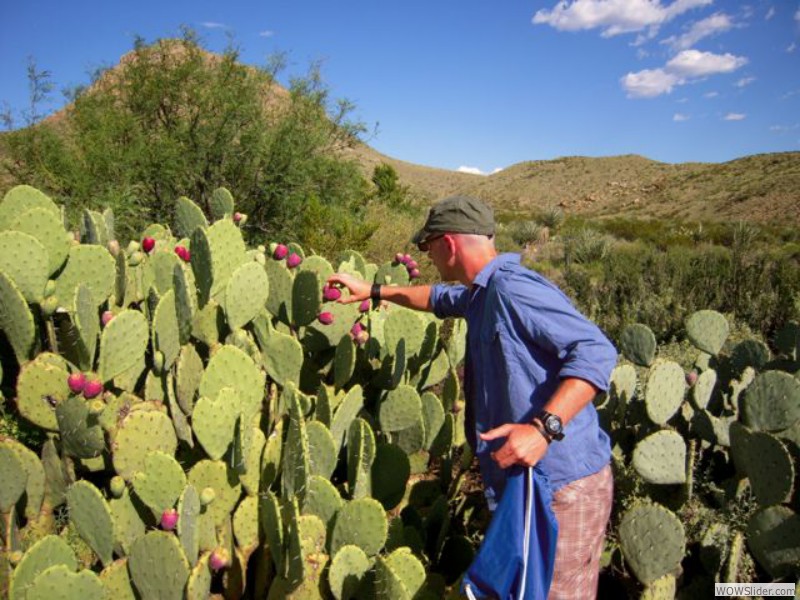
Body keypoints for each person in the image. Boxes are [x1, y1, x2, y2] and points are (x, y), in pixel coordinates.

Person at [328, 195, 617, 599]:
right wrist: (373, 291)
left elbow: (597, 350)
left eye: (428, 247)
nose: (428, 257)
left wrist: (543, 429)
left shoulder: (511, 289)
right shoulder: (481, 294)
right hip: (530, 484)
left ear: (447, 243)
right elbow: (434, 298)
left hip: (562, 487)